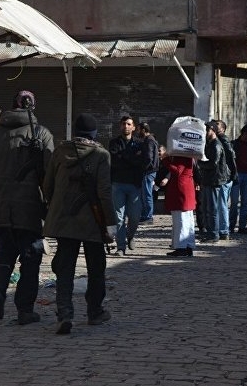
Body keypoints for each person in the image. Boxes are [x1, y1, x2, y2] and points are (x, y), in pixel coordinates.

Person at [0, 90, 54, 325]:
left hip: (1, 204)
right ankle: (24, 310)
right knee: (30, 260)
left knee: (3, 256)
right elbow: (50, 171)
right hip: (30, 207)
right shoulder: (41, 133)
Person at [43, 113, 117, 334]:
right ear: (94, 134)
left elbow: (48, 185)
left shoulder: (59, 152)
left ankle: (64, 313)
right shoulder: (101, 155)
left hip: (64, 220)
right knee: (96, 267)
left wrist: (54, 206)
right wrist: (111, 223)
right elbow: (104, 192)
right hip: (93, 222)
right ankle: (95, 311)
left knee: (64, 269)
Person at [108, 116, 150, 256]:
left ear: (133, 127)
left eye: (129, 124)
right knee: (119, 217)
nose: (126, 126)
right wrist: (132, 158)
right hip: (118, 183)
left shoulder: (139, 144)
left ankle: (130, 235)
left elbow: (142, 161)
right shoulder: (114, 143)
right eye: (123, 124)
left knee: (135, 216)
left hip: (134, 184)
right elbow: (115, 161)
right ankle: (121, 247)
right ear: (120, 126)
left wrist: (125, 157)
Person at [197, 120, 229, 244]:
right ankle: (209, 232)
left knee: (212, 209)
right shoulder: (209, 144)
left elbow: (212, 164)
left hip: (214, 181)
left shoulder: (216, 145)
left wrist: (200, 163)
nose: (205, 132)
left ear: (213, 131)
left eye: (208, 130)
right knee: (206, 208)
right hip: (207, 180)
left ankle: (214, 234)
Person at [162, 155, 196, 257]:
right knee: (188, 221)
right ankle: (188, 245)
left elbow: (177, 171)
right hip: (186, 190)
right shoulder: (188, 156)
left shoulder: (182, 156)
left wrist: (166, 161)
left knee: (181, 220)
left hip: (181, 191)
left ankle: (181, 247)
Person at [229, 124, 247, 235]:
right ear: (244, 134)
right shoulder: (234, 144)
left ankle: (242, 227)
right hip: (236, 176)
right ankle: (231, 226)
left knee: (245, 202)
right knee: (234, 202)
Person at [215, 120, 237, 240]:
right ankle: (220, 228)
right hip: (223, 176)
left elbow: (231, 157)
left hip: (224, 176)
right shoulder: (219, 140)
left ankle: (223, 230)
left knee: (222, 203)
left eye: (217, 125)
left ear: (223, 129)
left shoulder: (223, 140)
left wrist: (232, 174)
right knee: (220, 203)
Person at [137, 122, 160, 223]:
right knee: (145, 194)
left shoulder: (149, 141)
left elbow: (149, 158)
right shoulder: (149, 140)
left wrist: (144, 168)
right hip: (149, 171)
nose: (137, 131)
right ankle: (145, 215)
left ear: (143, 130)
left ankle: (148, 216)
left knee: (147, 194)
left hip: (148, 172)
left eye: (138, 129)